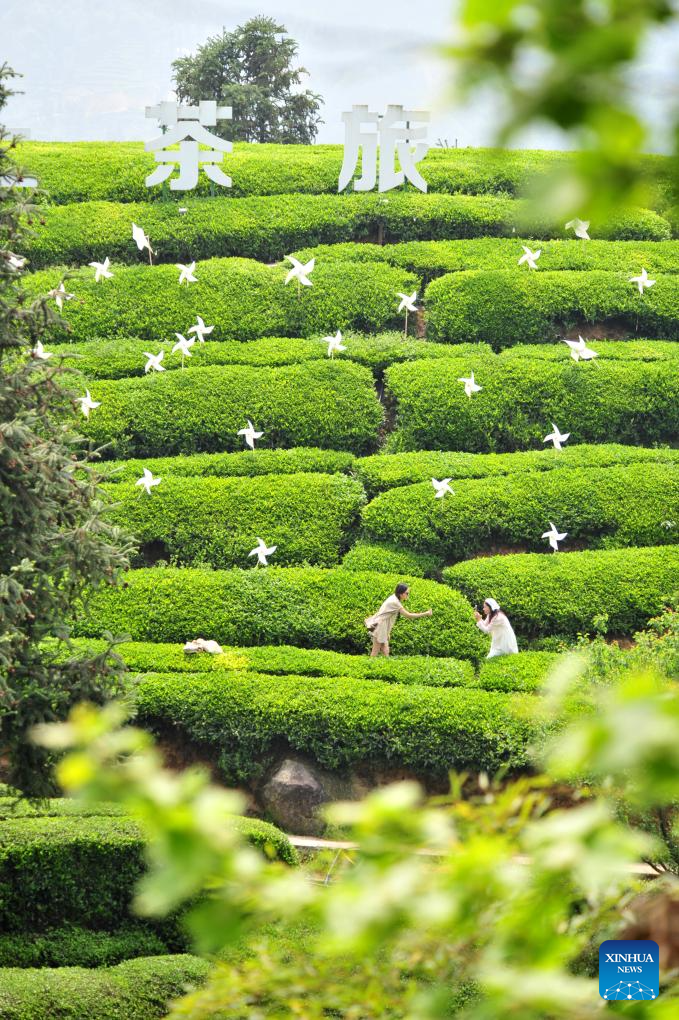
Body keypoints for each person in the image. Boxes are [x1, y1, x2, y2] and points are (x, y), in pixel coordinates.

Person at [365, 582, 433, 657]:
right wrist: (426, 613)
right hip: (380, 627)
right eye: (407, 593)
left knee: (385, 650)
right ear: (401, 593)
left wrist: (387, 632)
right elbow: (409, 615)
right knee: (375, 652)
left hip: (381, 626)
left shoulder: (393, 597)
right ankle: (370, 666)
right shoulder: (395, 602)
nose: (408, 595)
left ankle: (386, 666)